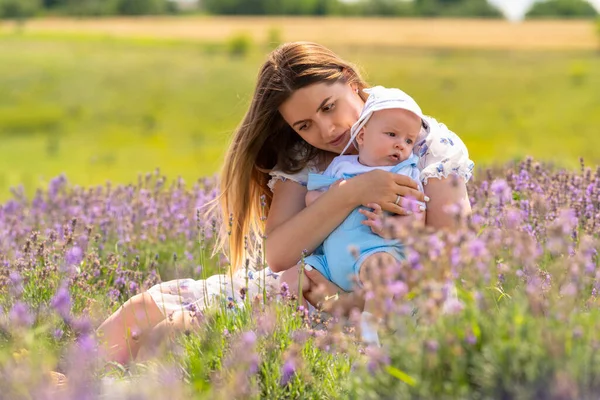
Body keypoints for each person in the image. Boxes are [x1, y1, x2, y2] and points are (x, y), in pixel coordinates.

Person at [96, 42, 474, 366]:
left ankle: (123, 387)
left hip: (388, 307)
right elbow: (278, 254)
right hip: (301, 287)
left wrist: (343, 301)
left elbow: (448, 258)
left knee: (178, 331)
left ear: (352, 82)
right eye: (304, 125)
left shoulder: (423, 143)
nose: (325, 130)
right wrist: (351, 193)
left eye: (328, 107)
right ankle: (69, 381)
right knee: (142, 310)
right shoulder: (307, 155)